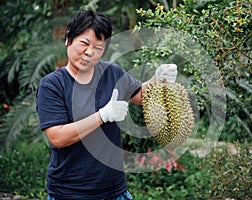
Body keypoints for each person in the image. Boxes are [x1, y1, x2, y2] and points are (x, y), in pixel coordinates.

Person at [36, 10, 177, 200]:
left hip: (114, 191)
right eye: (84, 44)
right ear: (68, 39)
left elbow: (142, 95)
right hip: (70, 192)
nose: (89, 52)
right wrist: (102, 115)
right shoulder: (52, 84)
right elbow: (58, 137)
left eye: (98, 48)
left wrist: (159, 79)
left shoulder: (111, 73)